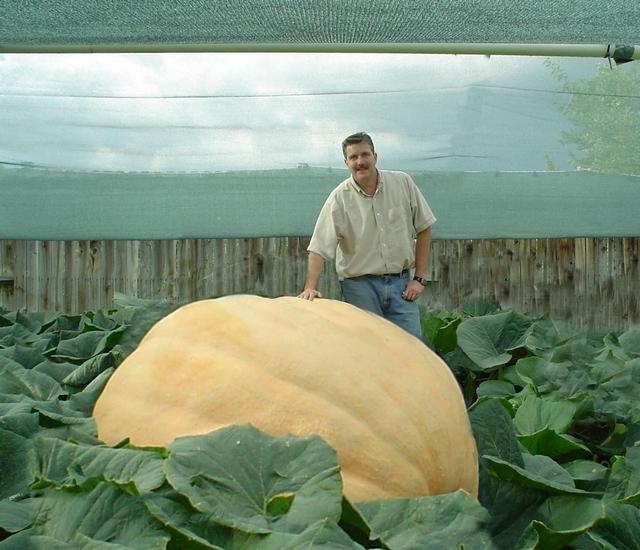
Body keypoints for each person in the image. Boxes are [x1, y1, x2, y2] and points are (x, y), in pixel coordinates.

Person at [297, 131, 436, 341]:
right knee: (368, 348)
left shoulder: (403, 183)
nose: (360, 162)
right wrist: (309, 288)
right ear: (346, 163)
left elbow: (424, 227)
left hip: (401, 285)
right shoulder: (339, 199)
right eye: (353, 157)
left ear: (375, 157)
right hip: (359, 289)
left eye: (365, 155)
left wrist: (419, 279)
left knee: (412, 347)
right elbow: (319, 248)